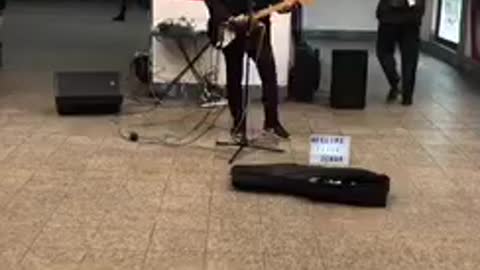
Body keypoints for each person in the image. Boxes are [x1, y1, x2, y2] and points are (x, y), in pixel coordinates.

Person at [204, 0, 296, 140]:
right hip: (232, 27)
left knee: (269, 72)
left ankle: (272, 122)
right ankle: (238, 124)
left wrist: (285, 6)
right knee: (234, 76)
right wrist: (228, 17)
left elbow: (277, 3)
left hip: (258, 28)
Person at [376, 0, 425, 106]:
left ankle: (395, 82)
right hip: (410, 18)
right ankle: (407, 96)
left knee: (384, 52)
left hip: (389, 18)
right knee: (409, 59)